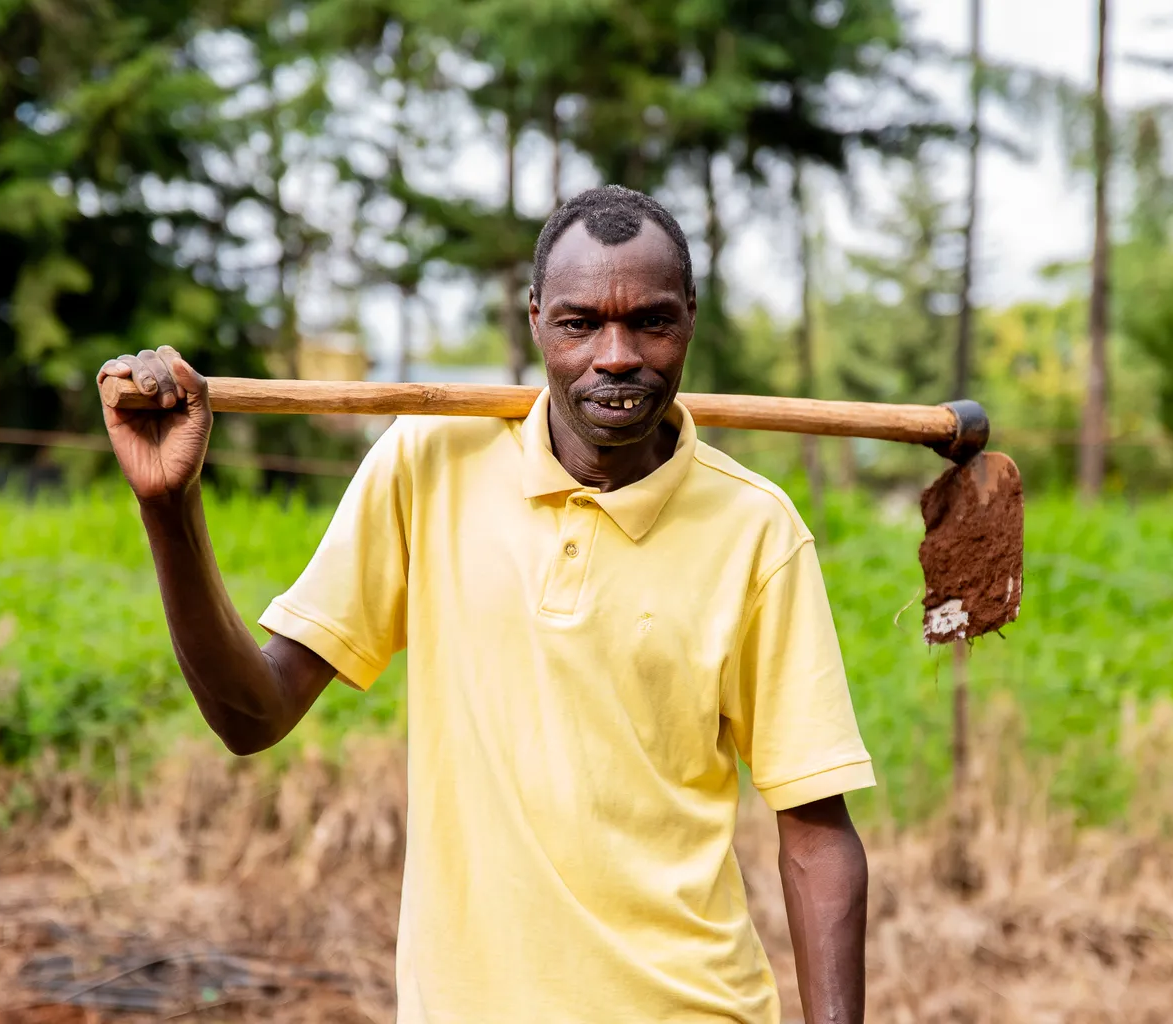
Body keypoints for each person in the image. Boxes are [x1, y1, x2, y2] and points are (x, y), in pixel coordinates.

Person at [98, 185, 873, 1024]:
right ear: (537, 320)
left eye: (649, 321)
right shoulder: (427, 465)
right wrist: (167, 511)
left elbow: (817, 836)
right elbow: (254, 716)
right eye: (581, 323)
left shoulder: (755, 530)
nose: (616, 356)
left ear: (688, 319)